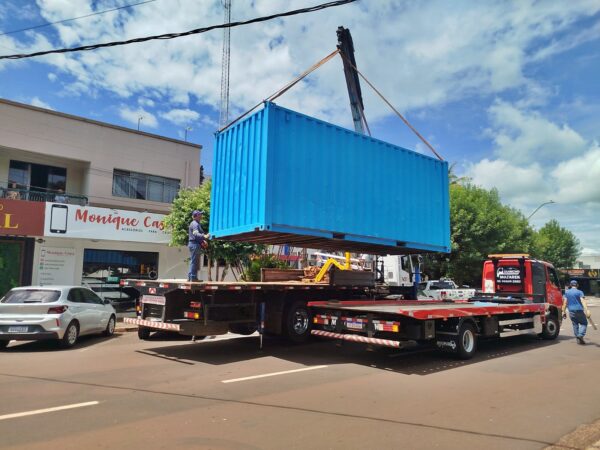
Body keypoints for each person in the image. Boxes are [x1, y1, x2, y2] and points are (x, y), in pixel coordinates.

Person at [562, 280, 591, 345]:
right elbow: (583, 301)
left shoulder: (567, 292)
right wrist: (587, 310)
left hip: (571, 311)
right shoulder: (580, 292)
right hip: (579, 310)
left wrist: (563, 312)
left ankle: (578, 340)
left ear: (570, 285)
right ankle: (580, 335)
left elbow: (565, 302)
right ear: (577, 285)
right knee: (584, 323)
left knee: (575, 324)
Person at [188, 210, 209, 282]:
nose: (201, 216)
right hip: (194, 244)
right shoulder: (195, 224)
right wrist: (204, 236)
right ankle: (193, 277)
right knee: (195, 262)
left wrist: (202, 241)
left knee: (193, 261)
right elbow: (196, 234)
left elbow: (196, 236)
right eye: (200, 214)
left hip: (194, 244)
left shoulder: (196, 223)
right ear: (196, 216)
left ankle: (190, 277)